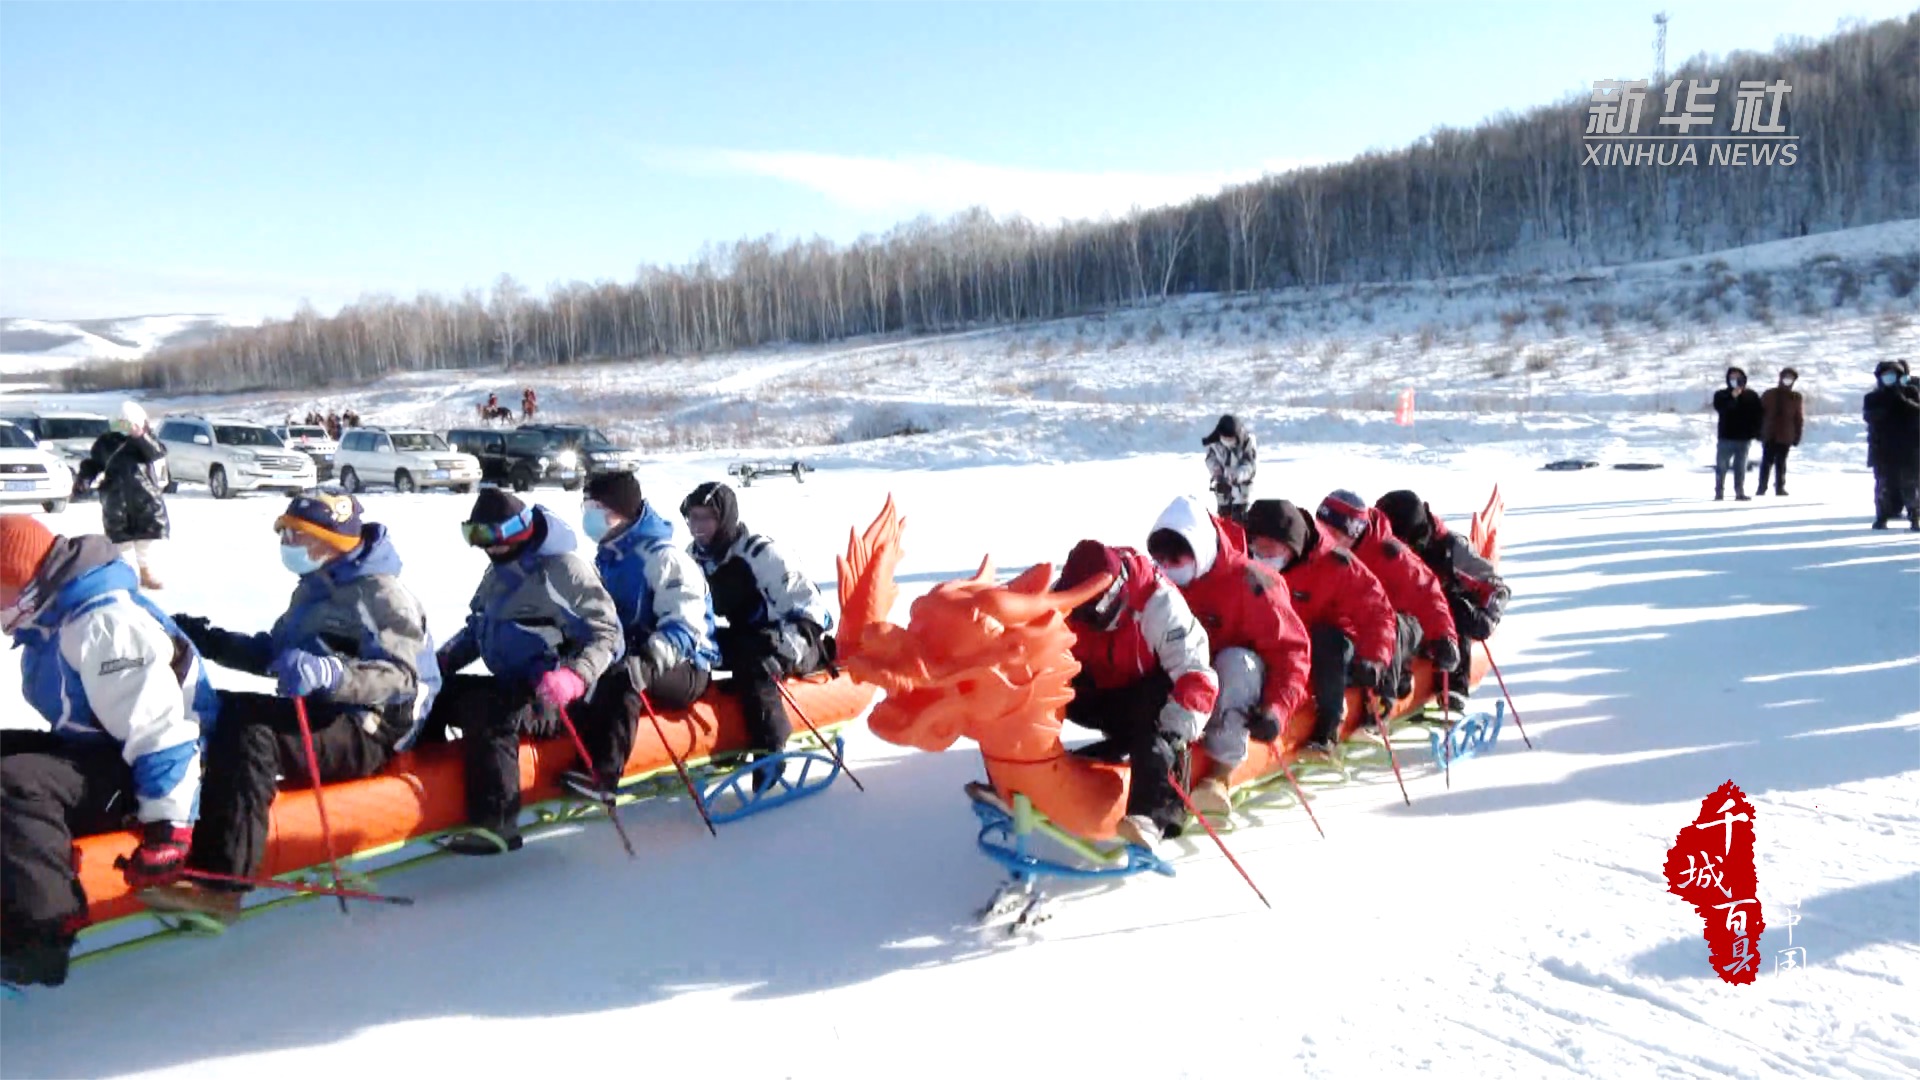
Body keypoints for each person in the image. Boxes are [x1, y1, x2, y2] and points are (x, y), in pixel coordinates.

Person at [142, 493, 441, 922]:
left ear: (330, 538)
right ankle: (176, 823)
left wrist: (332, 674)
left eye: (296, 534)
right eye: (285, 533)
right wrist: (209, 642)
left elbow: (402, 679)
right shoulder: (314, 588)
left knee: (253, 736)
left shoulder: (382, 594)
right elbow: (277, 655)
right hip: (322, 709)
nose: (288, 542)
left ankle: (222, 887)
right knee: (216, 710)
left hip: (371, 728)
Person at [0, 517, 218, 988]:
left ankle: (42, 934)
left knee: (15, 781)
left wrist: (169, 829)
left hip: (156, 772)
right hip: (103, 750)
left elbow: (161, 729)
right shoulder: (54, 616)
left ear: (19, 580)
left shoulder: (101, 622)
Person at [425, 489, 622, 854]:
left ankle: (498, 822)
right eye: (475, 537)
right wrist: (440, 662)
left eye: (490, 537)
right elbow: (479, 627)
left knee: (491, 710)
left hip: (556, 695)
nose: (484, 547)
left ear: (517, 531)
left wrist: (574, 676)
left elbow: (608, 635)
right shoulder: (498, 569)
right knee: (438, 693)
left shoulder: (562, 571)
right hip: (511, 684)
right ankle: (429, 797)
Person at [1145, 494, 1310, 815]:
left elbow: (1291, 652)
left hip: (1242, 686)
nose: (1167, 569)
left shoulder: (1253, 582)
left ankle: (1220, 772)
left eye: (1175, 560)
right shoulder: (1162, 586)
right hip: (1193, 684)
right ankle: (1156, 750)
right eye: (1160, 561)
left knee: (1234, 662)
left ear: (1198, 550)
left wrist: (1277, 710)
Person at [562, 471, 719, 800]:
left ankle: (603, 775)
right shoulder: (609, 558)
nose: (588, 515)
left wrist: (649, 659)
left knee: (623, 678)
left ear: (620, 511)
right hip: (631, 656)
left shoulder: (664, 558)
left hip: (687, 665)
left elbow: (685, 624)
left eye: (595, 507)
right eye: (585, 506)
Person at [1052, 540, 1218, 850]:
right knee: (1050, 685)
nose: (1087, 620)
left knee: (1152, 729)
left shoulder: (1159, 603)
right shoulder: (1063, 600)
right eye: (1081, 611)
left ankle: (1153, 814)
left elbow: (1195, 673)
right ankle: (1035, 775)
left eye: (1095, 612)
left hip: (1151, 695)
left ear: (1119, 593)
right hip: (1102, 691)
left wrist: (1174, 731)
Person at [681, 481, 836, 779]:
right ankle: (707, 736)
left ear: (724, 519)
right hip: (747, 636)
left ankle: (770, 751)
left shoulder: (760, 553)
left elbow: (813, 610)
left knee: (755, 663)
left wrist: (782, 645)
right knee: (692, 651)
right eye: (693, 518)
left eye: (706, 518)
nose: (697, 526)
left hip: (798, 637)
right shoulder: (695, 557)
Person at [1242, 499, 1398, 751]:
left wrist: (1375, 658)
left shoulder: (1335, 563)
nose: (1263, 558)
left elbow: (1376, 611)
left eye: (1271, 551)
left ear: (1291, 546)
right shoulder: (1250, 565)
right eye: (1257, 550)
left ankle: (1329, 724)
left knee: (1326, 640)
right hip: (1282, 647)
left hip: (1332, 650)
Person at [1315, 490, 1459, 704]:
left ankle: (1384, 697)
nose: (1325, 539)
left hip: (1405, 626)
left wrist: (1444, 637)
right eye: (1321, 530)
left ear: (1352, 532)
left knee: (1388, 624)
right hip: (1357, 625)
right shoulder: (1323, 553)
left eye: (1333, 534)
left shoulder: (1389, 554)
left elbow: (1427, 592)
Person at [1374, 490, 1511, 699]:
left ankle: (1454, 687)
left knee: (1452, 605)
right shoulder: (1380, 550)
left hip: (1447, 626)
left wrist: (1489, 617)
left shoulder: (1450, 548)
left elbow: (1496, 587)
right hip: (1410, 623)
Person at [76, 401, 170, 590]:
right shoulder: (106, 442)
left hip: (145, 497)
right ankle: (127, 577)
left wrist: (140, 437)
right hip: (116, 498)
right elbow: (93, 463)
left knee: (146, 538)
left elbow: (157, 453)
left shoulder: (145, 441)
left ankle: (146, 572)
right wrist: (84, 479)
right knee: (121, 542)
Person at [1863, 359, 1920, 530]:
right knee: (1884, 485)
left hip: (1908, 448)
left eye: (1893, 375)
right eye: (1886, 375)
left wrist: (1901, 400)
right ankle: (1882, 517)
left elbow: (1916, 413)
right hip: (1883, 449)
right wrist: (1887, 404)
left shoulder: (1910, 392)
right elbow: (1870, 417)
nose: (1890, 378)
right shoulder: (1873, 397)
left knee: (1911, 485)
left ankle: (1915, 516)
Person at [1711, 366, 1763, 501]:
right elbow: (1721, 408)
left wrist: (1757, 432)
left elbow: (1758, 415)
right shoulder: (1721, 394)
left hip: (1744, 438)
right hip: (1726, 436)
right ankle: (1719, 491)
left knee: (1740, 467)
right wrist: (1732, 397)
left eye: (1737, 377)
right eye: (1732, 378)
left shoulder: (1751, 395)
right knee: (1722, 465)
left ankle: (1739, 491)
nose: (1735, 380)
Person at [1201, 415, 1257, 524]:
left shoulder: (1247, 441)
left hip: (1242, 491)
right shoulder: (1214, 442)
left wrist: (1238, 475)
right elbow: (1210, 458)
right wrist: (1216, 470)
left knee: (1240, 522)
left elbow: (1250, 466)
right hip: (1222, 489)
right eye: (1225, 438)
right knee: (1224, 521)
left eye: (1230, 439)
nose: (1227, 441)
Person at [1757, 368, 1804, 497]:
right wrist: (1758, 431)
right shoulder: (1769, 394)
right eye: (1785, 377)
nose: (1787, 380)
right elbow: (1759, 413)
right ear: (1780, 378)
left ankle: (1780, 487)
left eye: (1791, 378)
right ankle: (1761, 487)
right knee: (1766, 462)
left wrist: (1797, 435)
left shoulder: (1796, 397)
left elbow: (1798, 418)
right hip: (1769, 433)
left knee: (1781, 463)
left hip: (1786, 434)